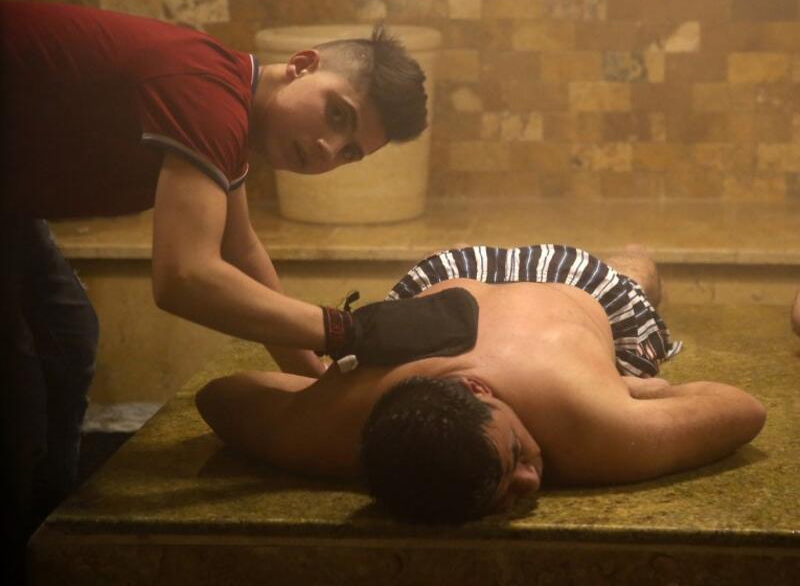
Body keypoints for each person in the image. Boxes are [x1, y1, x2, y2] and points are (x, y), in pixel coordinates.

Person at [1, 1, 478, 582]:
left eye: (350, 150)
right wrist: (347, 330)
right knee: (18, 386)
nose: (330, 149)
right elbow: (184, 278)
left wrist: (325, 380)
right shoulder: (207, 93)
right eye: (336, 115)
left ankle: (50, 539)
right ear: (301, 65)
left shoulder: (229, 103)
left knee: (68, 335)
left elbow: (240, 249)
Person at [197, 244, 767, 524]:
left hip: (573, 292)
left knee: (633, 268)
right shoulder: (346, 426)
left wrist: (642, 394)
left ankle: (631, 266)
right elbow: (218, 395)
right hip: (446, 288)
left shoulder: (598, 428)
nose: (530, 480)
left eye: (514, 452)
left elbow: (746, 409)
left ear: (477, 391)